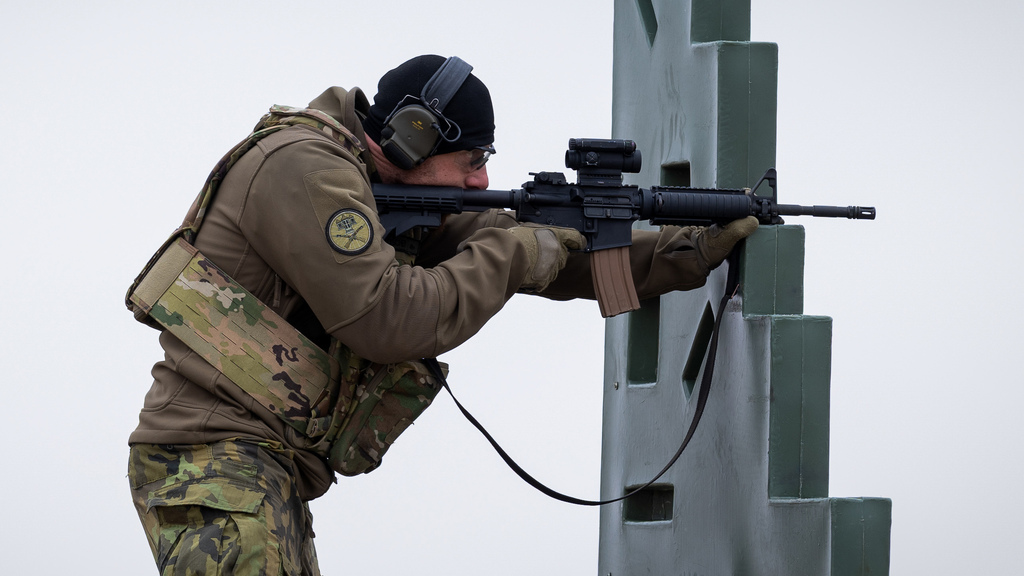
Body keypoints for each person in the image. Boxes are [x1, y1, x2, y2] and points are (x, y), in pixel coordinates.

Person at [126, 54, 757, 575]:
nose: (483, 180)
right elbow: (387, 319)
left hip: (251, 465)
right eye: (476, 160)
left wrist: (687, 252)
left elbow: (534, 251)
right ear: (412, 137)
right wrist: (513, 249)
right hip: (212, 465)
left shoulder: (387, 191)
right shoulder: (306, 168)